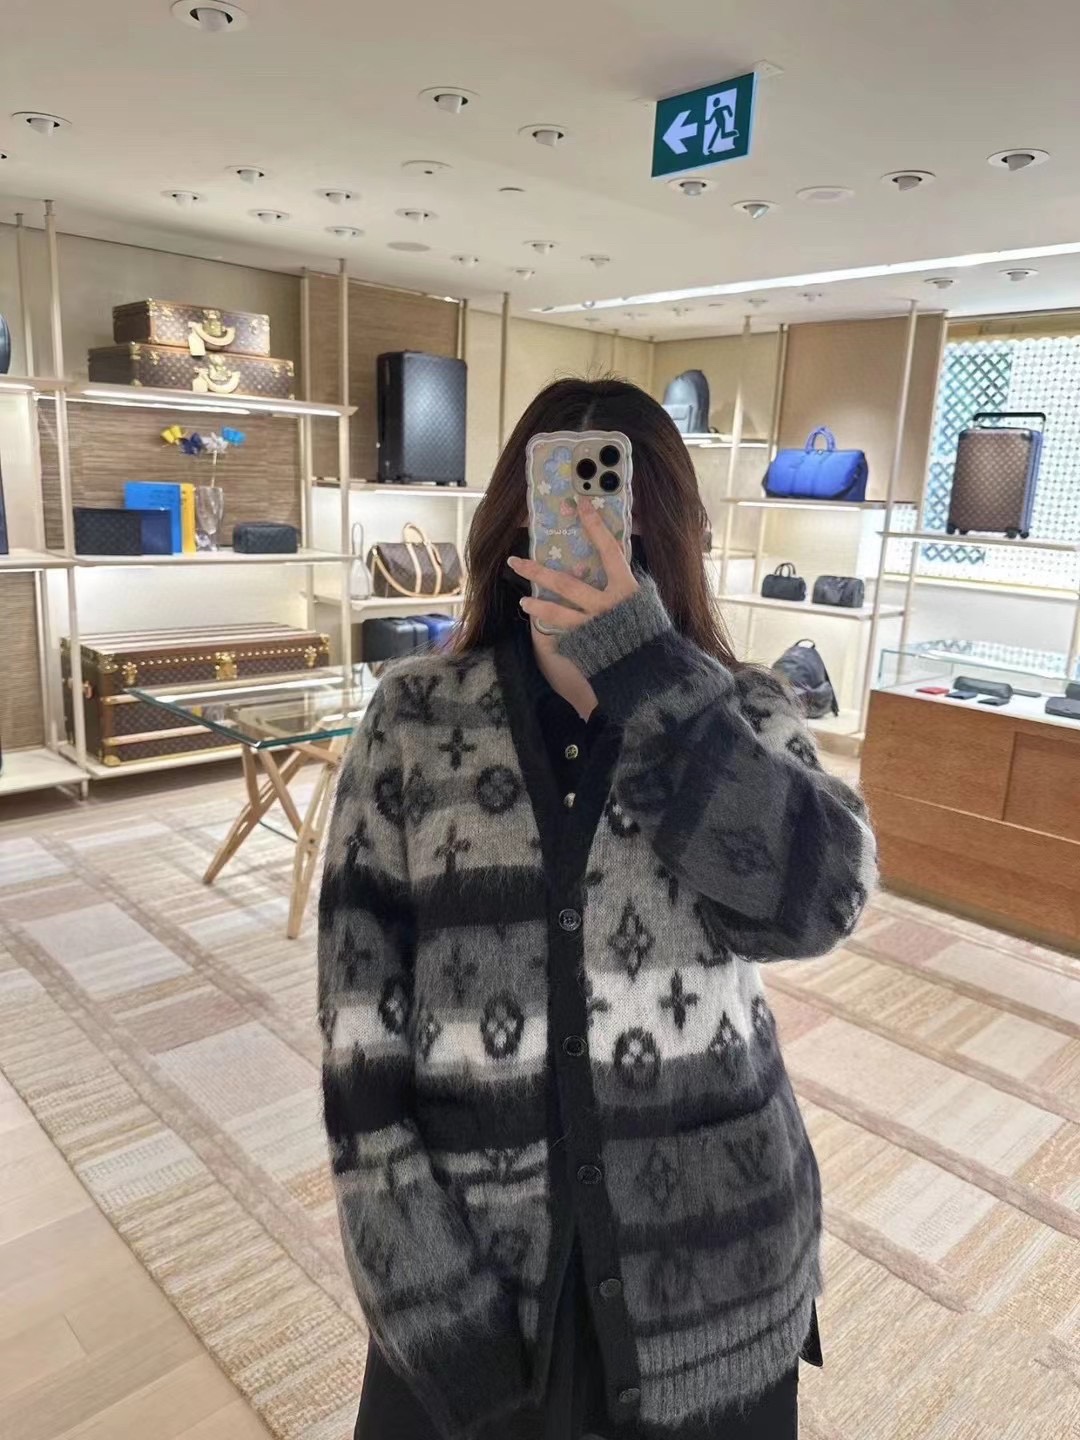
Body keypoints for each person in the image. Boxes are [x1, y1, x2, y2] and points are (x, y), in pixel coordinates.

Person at [318, 377, 876, 1440]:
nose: (585, 535)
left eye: (615, 511)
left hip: (718, 1290)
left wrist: (651, 674)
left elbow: (823, 902)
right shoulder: (413, 724)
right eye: (555, 507)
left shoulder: (738, 712)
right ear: (511, 526)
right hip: (477, 1282)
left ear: (666, 532)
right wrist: (429, 1301)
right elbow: (360, 1046)